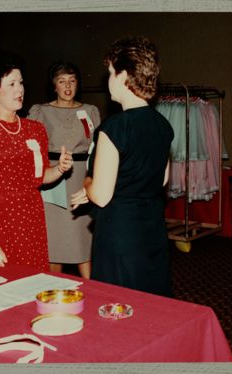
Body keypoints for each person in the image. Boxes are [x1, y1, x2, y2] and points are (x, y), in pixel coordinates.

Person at [70, 36, 174, 296]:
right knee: (150, 304)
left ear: (124, 76)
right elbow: (160, 179)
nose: (108, 81)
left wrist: (88, 182)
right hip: (152, 230)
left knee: (118, 307)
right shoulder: (163, 126)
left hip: (121, 233)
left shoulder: (114, 128)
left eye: (110, 73)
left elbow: (102, 197)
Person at [0, 52, 73, 271]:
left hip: (33, 218)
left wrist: (59, 168)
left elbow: (40, 178)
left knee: (36, 280)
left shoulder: (35, 129)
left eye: (21, 83)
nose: (19, 89)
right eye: (11, 84)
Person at [28, 61, 101, 278]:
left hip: (81, 177)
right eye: (61, 81)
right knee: (57, 239)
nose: (67, 86)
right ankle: (55, 286)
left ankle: (92, 286)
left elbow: (98, 148)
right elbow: (30, 149)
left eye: (72, 81)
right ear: (54, 86)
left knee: (81, 235)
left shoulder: (90, 111)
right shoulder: (41, 111)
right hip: (53, 178)